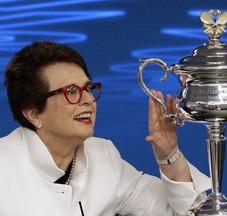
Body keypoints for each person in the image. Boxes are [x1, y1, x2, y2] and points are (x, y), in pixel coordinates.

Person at [0, 41, 210, 216]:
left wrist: (169, 155)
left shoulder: (103, 156)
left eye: (88, 88)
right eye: (71, 91)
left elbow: (182, 211)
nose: (88, 100)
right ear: (33, 113)